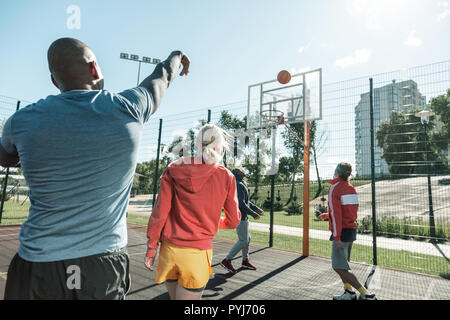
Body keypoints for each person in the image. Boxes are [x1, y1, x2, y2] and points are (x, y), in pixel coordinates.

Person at [0, 37, 190, 300]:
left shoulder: (21, 121)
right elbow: (162, 77)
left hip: (38, 264)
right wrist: (177, 55)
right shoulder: (130, 107)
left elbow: (6, 158)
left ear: (55, 81)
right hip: (102, 264)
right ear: (95, 69)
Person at [144, 124, 241, 300]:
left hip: (169, 252)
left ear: (196, 145)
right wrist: (215, 222)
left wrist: (151, 247)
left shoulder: (174, 168)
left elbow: (160, 212)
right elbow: (233, 221)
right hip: (197, 255)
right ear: (220, 147)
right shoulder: (227, 177)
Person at [319, 162, 377, 300]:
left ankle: (365, 294)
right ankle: (348, 292)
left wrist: (336, 236)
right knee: (342, 265)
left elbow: (337, 213)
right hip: (350, 230)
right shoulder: (351, 188)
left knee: (339, 267)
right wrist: (328, 216)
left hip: (342, 232)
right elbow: (347, 212)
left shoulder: (335, 188)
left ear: (337, 172)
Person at [220, 167, 263, 273]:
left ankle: (245, 261)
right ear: (237, 173)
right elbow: (241, 203)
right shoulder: (238, 184)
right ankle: (227, 260)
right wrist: (253, 213)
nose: (243, 170)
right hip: (239, 217)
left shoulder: (241, 183)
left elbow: (246, 201)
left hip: (243, 216)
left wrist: (256, 208)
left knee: (247, 239)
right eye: (240, 169)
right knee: (243, 240)